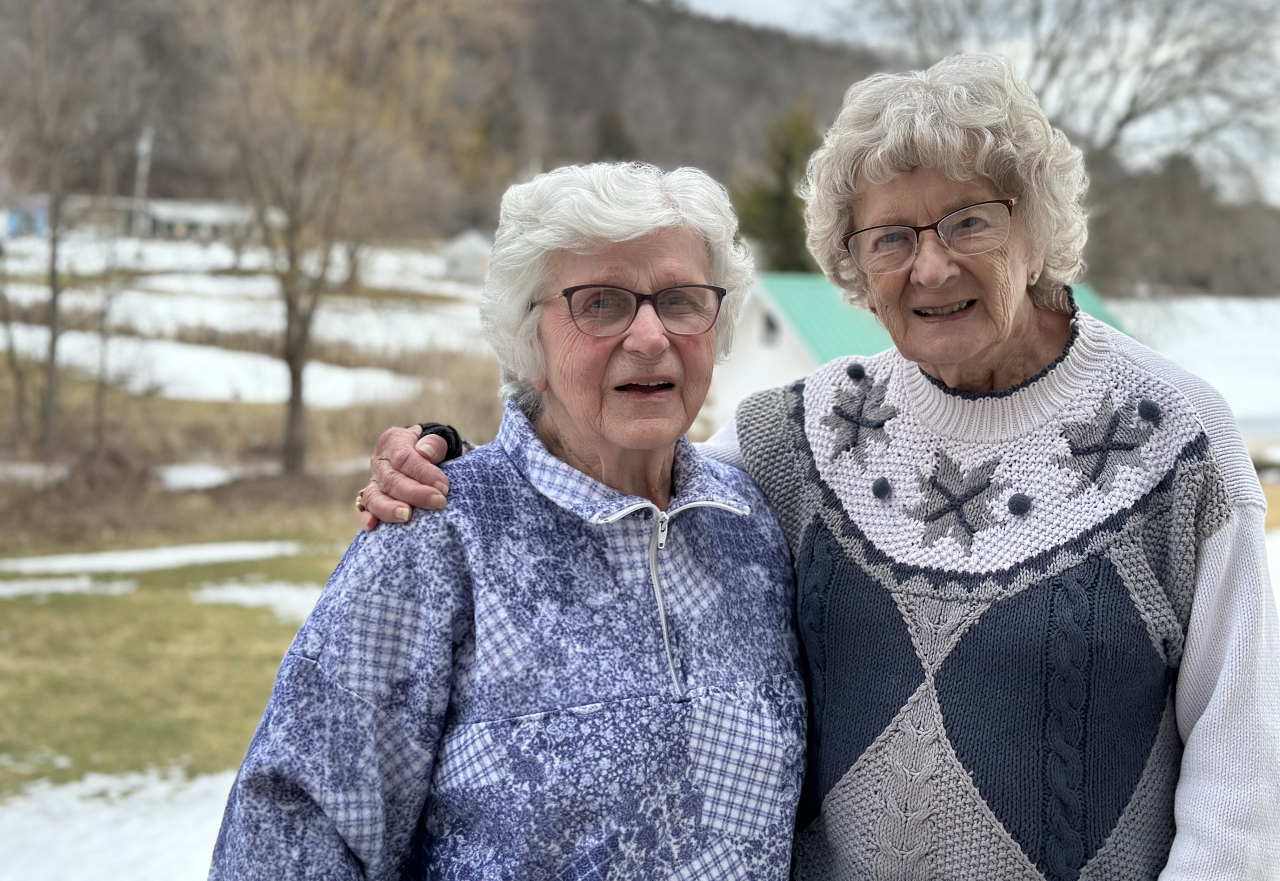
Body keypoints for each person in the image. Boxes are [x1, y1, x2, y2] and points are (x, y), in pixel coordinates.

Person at [361, 53, 1280, 879]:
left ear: (1034, 229)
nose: (929, 268)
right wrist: (450, 463)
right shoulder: (809, 432)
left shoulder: (1177, 437)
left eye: (969, 223)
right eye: (890, 237)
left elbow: (1242, 789)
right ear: (853, 263)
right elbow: (609, 467)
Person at [210, 162, 807, 880]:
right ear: (532, 339)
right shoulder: (436, 537)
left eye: (680, 300)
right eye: (602, 303)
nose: (650, 337)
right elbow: (290, 839)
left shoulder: (752, 533)